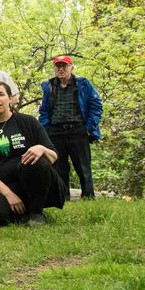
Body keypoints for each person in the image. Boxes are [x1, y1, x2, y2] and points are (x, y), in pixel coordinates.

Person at [0, 81, 64, 225]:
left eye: (1, 94)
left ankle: (36, 213)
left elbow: (53, 156)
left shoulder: (28, 122)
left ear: (10, 98)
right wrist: (8, 194)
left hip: (33, 180)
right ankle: (19, 212)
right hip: (2, 186)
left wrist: (42, 148)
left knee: (38, 160)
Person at [39, 55, 103, 200]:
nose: (61, 69)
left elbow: (96, 106)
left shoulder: (83, 84)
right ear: (54, 69)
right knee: (59, 167)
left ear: (71, 68)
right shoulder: (49, 86)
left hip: (78, 130)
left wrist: (88, 128)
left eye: (64, 66)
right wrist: (46, 129)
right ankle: (63, 198)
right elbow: (43, 110)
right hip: (55, 132)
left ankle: (88, 198)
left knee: (83, 167)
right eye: (58, 66)